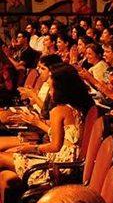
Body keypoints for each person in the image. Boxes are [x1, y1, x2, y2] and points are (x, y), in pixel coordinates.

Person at [0, 64, 93, 195]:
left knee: (1, 157)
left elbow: (55, 146)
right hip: (69, 165)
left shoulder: (59, 110)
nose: (49, 92)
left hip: (56, 168)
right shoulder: (78, 108)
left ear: (60, 88)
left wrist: (32, 148)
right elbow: (65, 138)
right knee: (6, 171)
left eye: (51, 88)